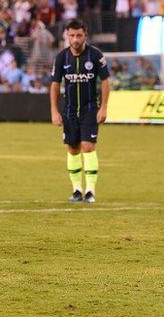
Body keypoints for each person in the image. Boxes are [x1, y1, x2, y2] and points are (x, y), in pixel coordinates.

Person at [50, 19, 110, 204]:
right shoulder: (61, 58)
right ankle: (76, 190)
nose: (75, 39)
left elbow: (106, 81)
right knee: (73, 148)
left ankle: (90, 191)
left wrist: (104, 107)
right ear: (67, 36)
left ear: (85, 35)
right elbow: (54, 84)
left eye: (79, 35)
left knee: (88, 147)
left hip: (90, 109)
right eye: (72, 35)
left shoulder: (96, 55)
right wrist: (54, 110)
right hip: (69, 111)